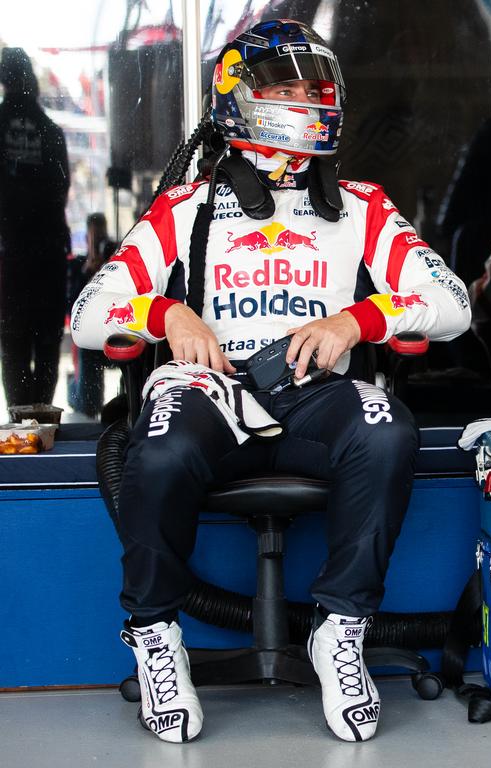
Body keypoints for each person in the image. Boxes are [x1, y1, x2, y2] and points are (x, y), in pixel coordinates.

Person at [71, 20, 470, 744]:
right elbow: (87, 316)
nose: (308, 99)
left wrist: (360, 320)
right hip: (208, 391)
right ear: (238, 99)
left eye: (316, 86)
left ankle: (339, 631)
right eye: (287, 87)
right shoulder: (185, 207)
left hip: (313, 394)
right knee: (153, 449)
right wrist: (167, 313)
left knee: (388, 429)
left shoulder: (361, 204)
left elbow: (453, 305)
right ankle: (156, 635)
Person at [0, 47, 70, 408]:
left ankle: (18, 422)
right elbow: (61, 189)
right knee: (45, 341)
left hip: (11, 251)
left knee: (12, 341)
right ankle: (40, 419)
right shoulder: (49, 129)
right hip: (46, 250)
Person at [68, 213, 117, 417]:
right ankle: (79, 394)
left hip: (114, 326)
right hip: (92, 330)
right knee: (87, 355)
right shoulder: (80, 264)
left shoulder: (115, 253)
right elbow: (74, 304)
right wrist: (86, 272)